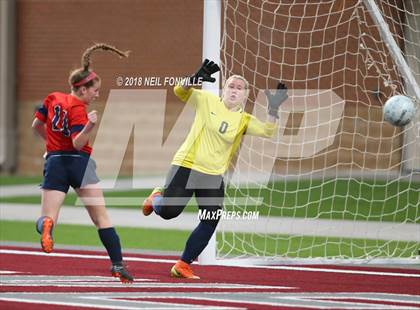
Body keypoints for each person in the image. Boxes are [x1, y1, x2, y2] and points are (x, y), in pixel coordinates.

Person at [142, 59, 288, 279]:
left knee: (211, 218)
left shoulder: (244, 120)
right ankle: (155, 199)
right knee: (169, 213)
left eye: (240, 88)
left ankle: (183, 264)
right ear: (223, 90)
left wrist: (274, 108)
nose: (234, 90)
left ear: (246, 95)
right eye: (231, 86)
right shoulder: (206, 101)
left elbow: (268, 130)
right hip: (187, 166)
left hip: (213, 176)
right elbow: (179, 90)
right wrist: (196, 77)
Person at [31, 43, 134, 283]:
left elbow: (36, 126)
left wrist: (52, 148)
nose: (97, 94)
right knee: (101, 219)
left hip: (56, 162)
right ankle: (118, 265)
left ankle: (47, 227)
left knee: (49, 217)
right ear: (83, 89)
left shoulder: (52, 98)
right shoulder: (79, 109)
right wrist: (90, 125)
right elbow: (77, 143)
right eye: (95, 90)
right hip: (81, 163)